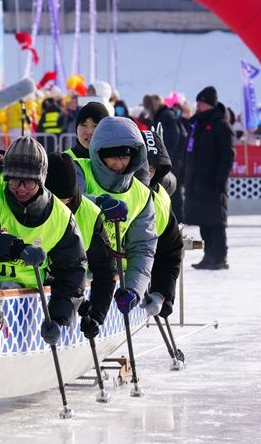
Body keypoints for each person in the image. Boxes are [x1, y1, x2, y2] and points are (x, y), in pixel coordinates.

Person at [0, 137, 87, 345]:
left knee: (5, 286)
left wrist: (59, 318)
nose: (21, 188)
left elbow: (73, 269)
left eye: (29, 182)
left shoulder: (61, 216)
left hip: (22, 295)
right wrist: (18, 249)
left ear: (41, 181)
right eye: (14, 180)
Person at [73, 116, 158, 312]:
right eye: (112, 156)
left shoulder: (142, 195)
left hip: (110, 273)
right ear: (98, 153)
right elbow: (66, 202)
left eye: (125, 156)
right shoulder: (78, 170)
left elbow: (143, 247)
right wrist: (100, 204)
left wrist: (134, 290)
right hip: (73, 268)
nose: (119, 163)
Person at [44, 152, 116, 339]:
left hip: (72, 285)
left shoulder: (90, 214)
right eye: (54, 201)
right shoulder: (31, 205)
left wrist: (96, 315)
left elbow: (105, 270)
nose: (61, 208)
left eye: (65, 201)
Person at [184, 86, 235, 269]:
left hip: (213, 182)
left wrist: (220, 179)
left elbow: (227, 155)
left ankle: (220, 256)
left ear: (210, 105)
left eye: (202, 103)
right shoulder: (196, 124)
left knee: (216, 222)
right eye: (197, 103)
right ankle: (209, 256)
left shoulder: (220, 125)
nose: (198, 106)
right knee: (204, 222)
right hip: (197, 182)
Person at [140, 130, 184, 318]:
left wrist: (161, 293)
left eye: (151, 169)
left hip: (137, 280)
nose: (146, 174)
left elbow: (172, 250)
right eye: (142, 168)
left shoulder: (160, 200)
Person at [143, 94, 188, 222]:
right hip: (174, 159)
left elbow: (174, 137)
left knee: (173, 189)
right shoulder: (166, 116)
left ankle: (177, 217)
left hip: (172, 160)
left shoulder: (165, 117)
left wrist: (166, 157)